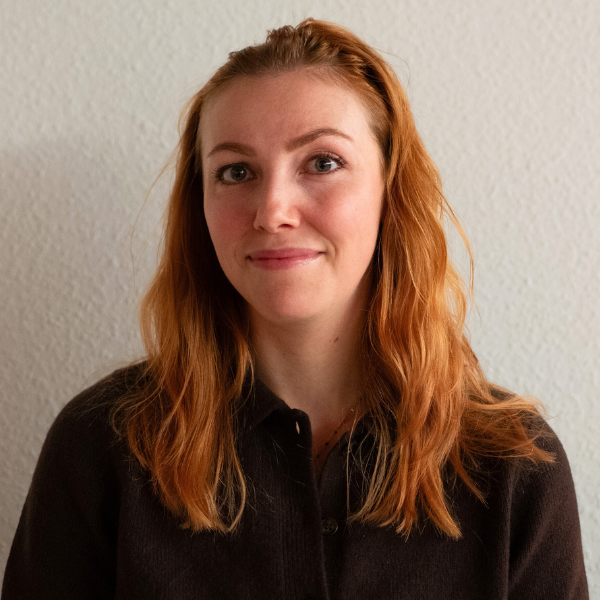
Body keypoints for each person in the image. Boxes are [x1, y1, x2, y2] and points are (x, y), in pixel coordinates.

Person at [2, 18, 588, 600]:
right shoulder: (101, 448)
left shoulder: (514, 468)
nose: (272, 210)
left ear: (390, 190)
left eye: (322, 162)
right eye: (236, 172)